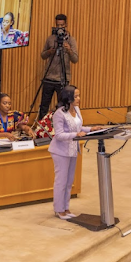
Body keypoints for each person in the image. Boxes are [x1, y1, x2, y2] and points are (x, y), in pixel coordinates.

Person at [49, 86, 92, 220]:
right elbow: (59, 134)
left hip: (73, 149)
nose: (79, 98)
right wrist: (76, 134)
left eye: (79, 95)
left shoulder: (77, 110)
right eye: (76, 96)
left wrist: (91, 129)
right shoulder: (59, 113)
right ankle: (59, 209)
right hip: (60, 151)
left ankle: (66, 208)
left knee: (69, 181)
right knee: (61, 181)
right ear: (68, 97)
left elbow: (78, 127)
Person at [38, 14, 79, 120]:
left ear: (66, 25)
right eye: (58, 25)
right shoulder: (51, 38)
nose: (60, 27)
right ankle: (41, 127)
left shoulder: (71, 40)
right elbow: (42, 55)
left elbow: (75, 59)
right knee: (44, 105)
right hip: (49, 77)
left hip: (63, 78)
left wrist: (69, 49)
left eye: (62, 25)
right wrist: (49, 51)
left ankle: (61, 125)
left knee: (63, 105)